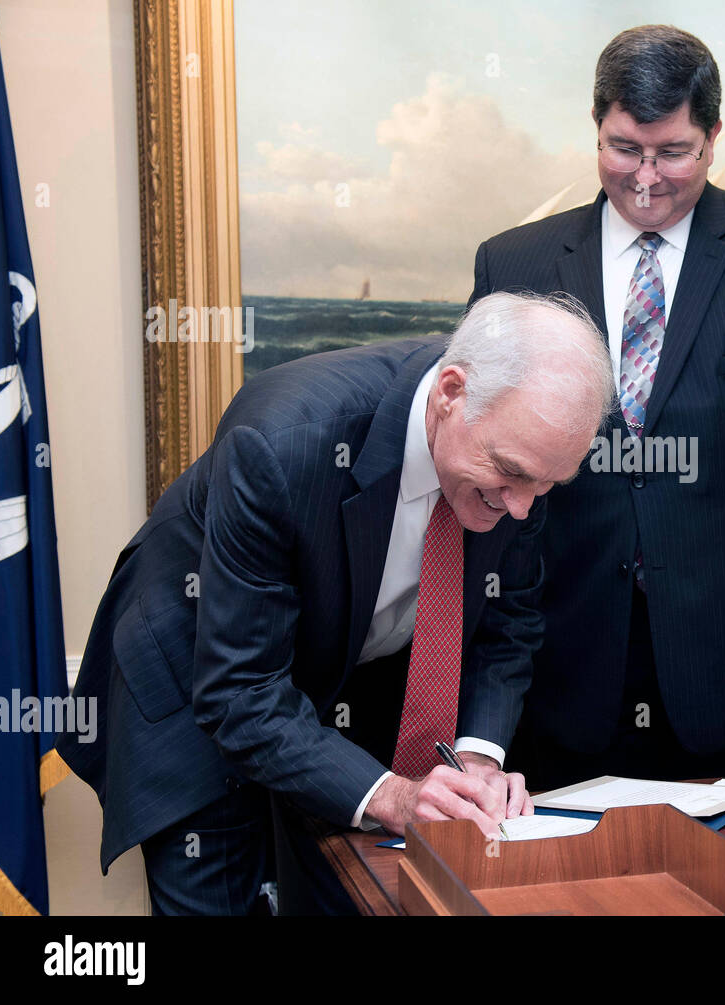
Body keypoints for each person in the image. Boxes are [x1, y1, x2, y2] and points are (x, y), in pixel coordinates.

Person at [56, 291, 615, 914]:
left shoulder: (523, 459)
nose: (521, 509)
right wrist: (396, 798)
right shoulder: (283, 440)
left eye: (547, 486)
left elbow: (505, 626)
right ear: (450, 394)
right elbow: (241, 693)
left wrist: (478, 760)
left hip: (343, 681)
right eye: (509, 475)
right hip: (200, 681)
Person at [471, 25, 725, 790]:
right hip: (562, 669)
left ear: (714, 137)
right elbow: (484, 477)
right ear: (598, 128)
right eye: (625, 149)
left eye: (673, 152)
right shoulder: (513, 263)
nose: (647, 178)